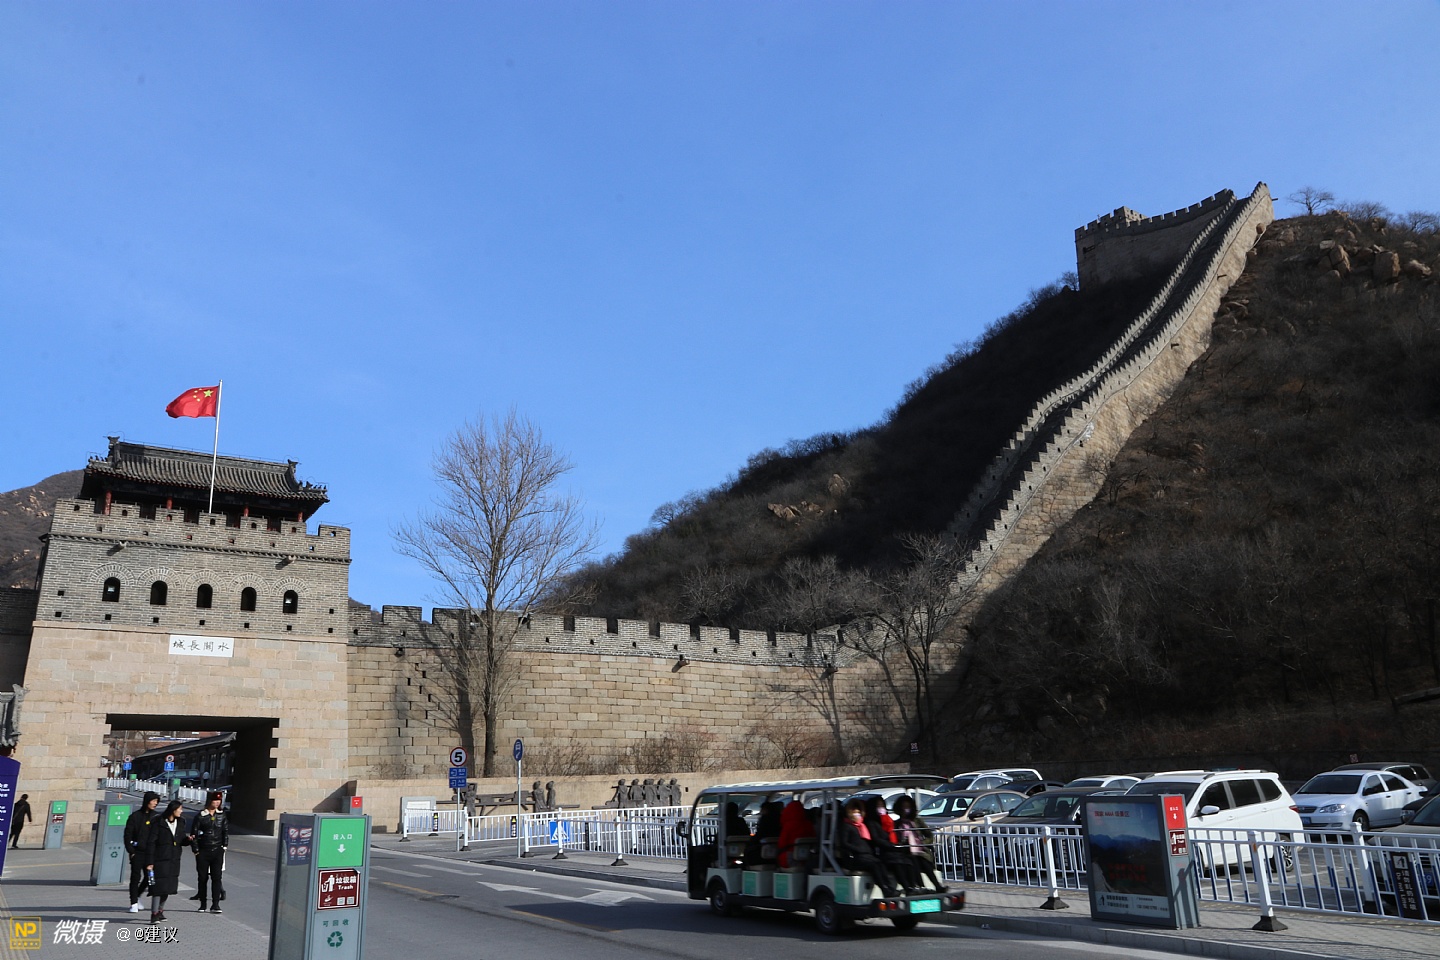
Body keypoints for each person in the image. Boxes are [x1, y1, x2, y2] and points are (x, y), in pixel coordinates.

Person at [835, 799, 897, 897]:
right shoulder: (846, 826)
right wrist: (857, 849)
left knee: (880, 864)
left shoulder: (862, 826)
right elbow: (844, 843)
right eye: (854, 812)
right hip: (855, 857)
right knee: (874, 865)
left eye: (859, 812)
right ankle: (884, 889)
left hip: (866, 856)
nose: (857, 815)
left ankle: (889, 887)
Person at [863, 795, 922, 892]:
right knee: (896, 862)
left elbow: (892, 833)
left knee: (908, 860)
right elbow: (876, 839)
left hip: (892, 849)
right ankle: (907, 887)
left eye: (882, 805)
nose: (881, 808)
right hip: (883, 851)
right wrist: (890, 845)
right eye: (878, 806)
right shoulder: (871, 822)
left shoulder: (887, 820)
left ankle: (914, 885)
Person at [145, 800, 190, 924]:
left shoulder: (180, 822)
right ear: (173, 810)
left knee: (168, 888)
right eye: (180, 809)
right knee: (158, 888)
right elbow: (151, 843)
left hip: (173, 860)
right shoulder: (159, 823)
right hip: (160, 859)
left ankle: (160, 911)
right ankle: (154, 914)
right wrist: (149, 862)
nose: (181, 811)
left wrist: (188, 840)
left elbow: (181, 840)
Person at [891, 795, 946, 892]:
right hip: (905, 852)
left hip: (920, 851)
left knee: (924, 862)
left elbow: (929, 835)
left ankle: (937, 886)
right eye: (903, 807)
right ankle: (921, 886)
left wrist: (922, 843)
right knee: (914, 861)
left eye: (908, 807)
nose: (906, 809)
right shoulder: (896, 824)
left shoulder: (917, 821)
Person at [188, 791, 228, 913]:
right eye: (215, 800)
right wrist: (196, 850)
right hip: (203, 851)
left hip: (217, 850)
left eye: (219, 801)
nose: (217, 803)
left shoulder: (222, 816)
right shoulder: (200, 816)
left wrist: (224, 847)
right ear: (209, 801)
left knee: (217, 878)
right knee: (202, 878)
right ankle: (203, 904)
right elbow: (194, 834)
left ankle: (215, 904)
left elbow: (225, 832)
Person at [123, 792, 161, 912]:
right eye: (153, 801)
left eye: (157, 801)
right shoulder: (135, 816)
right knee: (135, 877)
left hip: (151, 853)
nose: (155, 803)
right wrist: (131, 851)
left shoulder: (157, 817)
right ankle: (133, 902)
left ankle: (138, 894)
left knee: (149, 877)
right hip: (137, 852)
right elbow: (127, 835)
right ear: (147, 801)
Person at [776, 799, 815, 868]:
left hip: (789, 858)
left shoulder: (788, 826)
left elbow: (782, 844)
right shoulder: (808, 824)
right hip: (807, 856)